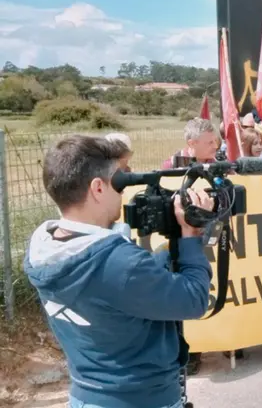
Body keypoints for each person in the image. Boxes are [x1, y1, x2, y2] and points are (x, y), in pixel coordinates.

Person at [25, 135, 214, 408]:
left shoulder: (44, 247)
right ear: (98, 188)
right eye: (119, 182)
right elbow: (193, 299)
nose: (123, 192)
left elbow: (120, 289)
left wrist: (168, 250)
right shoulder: (119, 263)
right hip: (142, 400)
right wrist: (191, 236)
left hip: (84, 395)